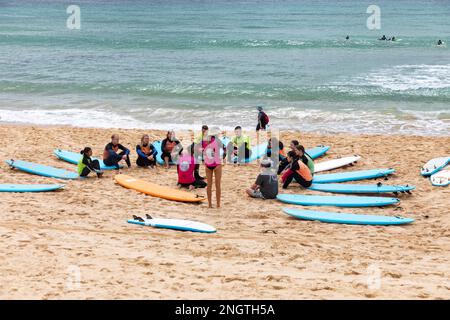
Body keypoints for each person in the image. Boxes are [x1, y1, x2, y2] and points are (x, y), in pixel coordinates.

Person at [203, 129, 223, 208]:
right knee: (211, 185)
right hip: (211, 166)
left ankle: (215, 204)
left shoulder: (214, 142)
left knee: (215, 185)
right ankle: (211, 204)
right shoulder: (205, 142)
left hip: (214, 165)